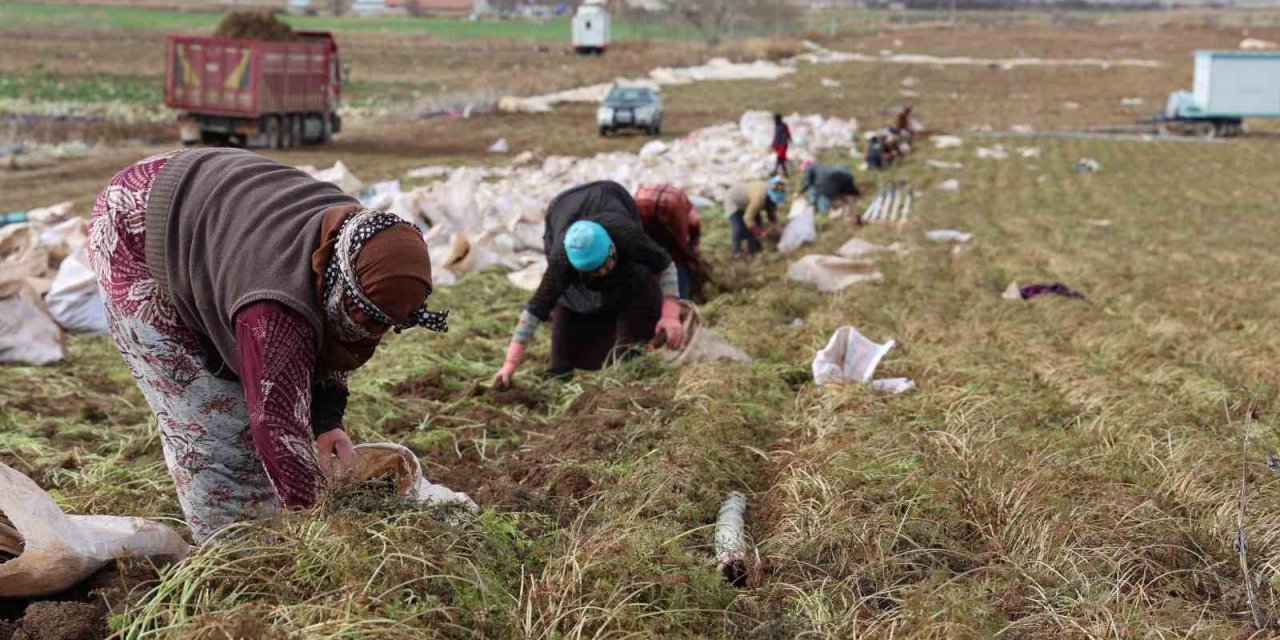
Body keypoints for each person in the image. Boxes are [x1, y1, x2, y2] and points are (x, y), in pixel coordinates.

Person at [87, 148, 448, 542]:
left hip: (213, 209)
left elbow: (337, 332)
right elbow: (275, 423)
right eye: (367, 318)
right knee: (215, 427)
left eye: (385, 326)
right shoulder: (275, 307)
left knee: (259, 399)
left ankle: (265, 526)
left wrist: (327, 421)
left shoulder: (358, 242)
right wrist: (322, 528)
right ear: (342, 285)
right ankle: (232, 553)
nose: (372, 334)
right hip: (138, 225)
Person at [492, 181, 684, 388]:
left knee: (633, 283)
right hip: (562, 210)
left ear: (611, 248)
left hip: (608, 196)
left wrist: (670, 315)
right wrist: (509, 364)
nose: (601, 273)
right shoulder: (561, 261)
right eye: (593, 271)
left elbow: (665, 265)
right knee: (574, 299)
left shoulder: (626, 235)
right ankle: (563, 369)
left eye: (603, 265)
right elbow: (535, 309)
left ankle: (630, 352)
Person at [633, 183, 701, 299]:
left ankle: (649, 295)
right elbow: (694, 221)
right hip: (671, 213)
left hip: (642, 211)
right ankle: (679, 301)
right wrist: (694, 242)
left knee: (647, 256)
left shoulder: (640, 192)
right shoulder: (681, 197)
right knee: (678, 258)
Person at [723, 177, 787, 258]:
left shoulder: (774, 191)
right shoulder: (758, 200)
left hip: (749, 199)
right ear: (770, 197)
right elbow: (748, 219)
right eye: (774, 202)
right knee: (738, 229)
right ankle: (736, 252)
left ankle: (752, 252)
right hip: (734, 200)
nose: (775, 204)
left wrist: (776, 225)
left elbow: (771, 211)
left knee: (758, 224)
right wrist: (760, 233)